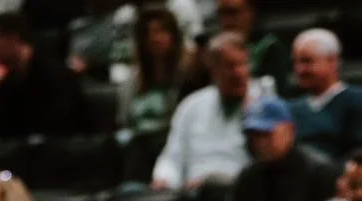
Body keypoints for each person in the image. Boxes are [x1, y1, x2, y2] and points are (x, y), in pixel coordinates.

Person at [151, 30, 264, 190]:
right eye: (230, 66)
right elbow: (172, 157)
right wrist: (165, 179)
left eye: (243, 64)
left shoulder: (263, 104)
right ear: (213, 70)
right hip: (191, 192)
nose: (239, 73)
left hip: (240, 190)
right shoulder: (191, 106)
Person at [230, 98, 338, 201]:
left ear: (290, 130)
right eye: (254, 136)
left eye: (266, 134)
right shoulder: (248, 176)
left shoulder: (319, 172)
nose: (260, 143)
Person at [0, 11, 86, 140]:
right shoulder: (8, 79)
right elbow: (2, 128)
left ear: (12, 39)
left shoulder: (54, 73)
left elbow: (59, 125)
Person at [286, 28, 362, 163]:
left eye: (307, 61)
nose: (300, 69)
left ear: (333, 61)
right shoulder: (291, 108)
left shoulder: (357, 99)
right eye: (296, 62)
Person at [118, 5, 194, 135]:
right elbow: (124, 122)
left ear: (174, 36)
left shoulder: (187, 78)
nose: (155, 39)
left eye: (161, 31)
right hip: (138, 140)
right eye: (148, 34)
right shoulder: (133, 80)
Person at [216, 0, 288, 94]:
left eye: (233, 12)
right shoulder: (213, 50)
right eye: (222, 14)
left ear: (251, 13)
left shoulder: (269, 47)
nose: (227, 21)